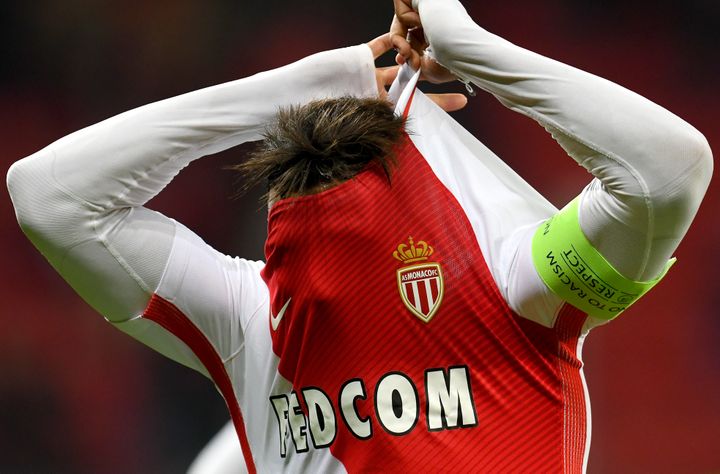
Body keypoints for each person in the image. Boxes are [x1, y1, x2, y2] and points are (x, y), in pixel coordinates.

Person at [7, 0, 712, 472]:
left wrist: (300, 87)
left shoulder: (255, 324)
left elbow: (50, 197)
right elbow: (667, 170)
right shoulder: (510, 290)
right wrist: (476, 50)